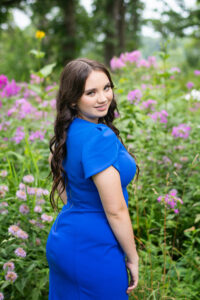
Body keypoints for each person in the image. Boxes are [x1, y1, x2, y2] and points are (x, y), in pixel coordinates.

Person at [46, 58, 139, 300]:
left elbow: (66, 191)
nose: (103, 98)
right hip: (95, 248)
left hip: (64, 239)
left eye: (106, 88)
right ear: (73, 98)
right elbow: (116, 210)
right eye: (91, 92)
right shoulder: (99, 137)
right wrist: (133, 257)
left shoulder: (67, 134)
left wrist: (84, 205)